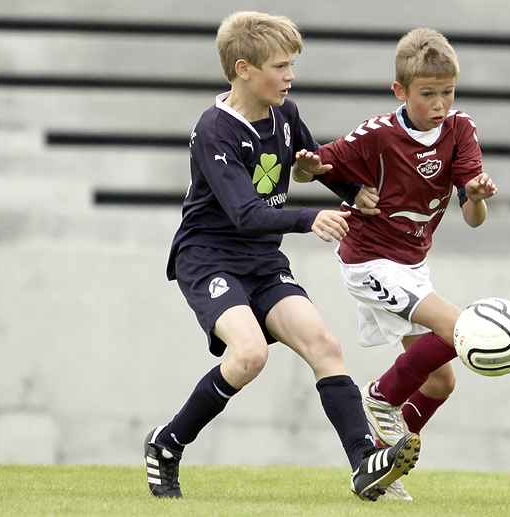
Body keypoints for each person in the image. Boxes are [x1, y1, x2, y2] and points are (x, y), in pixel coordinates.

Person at [143, 11, 420, 502]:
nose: (291, 76)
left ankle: (364, 464)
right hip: (208, 258)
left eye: (292, 65)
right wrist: (310, 218)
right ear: (244, 69)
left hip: (262, 260)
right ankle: (167, 443)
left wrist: (354, 191)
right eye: (280, 66)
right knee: (250, 355)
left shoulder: (284, 113)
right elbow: (246, 214)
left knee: (324, 344)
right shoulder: (214, 130)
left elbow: (313, 159)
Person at [294, 27, 497, 499]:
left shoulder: (460, 130)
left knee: (441, 381)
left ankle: (382, 470)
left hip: (411, 266)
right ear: (400, 91)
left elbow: (474, 218)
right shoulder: (376, 135)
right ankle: (381, 397)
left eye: (448, 92)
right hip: (369, 260)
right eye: (428, 94)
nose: (440, 104)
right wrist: (307, 165)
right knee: (459, 329)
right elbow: (309, 170)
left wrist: (476, 197)